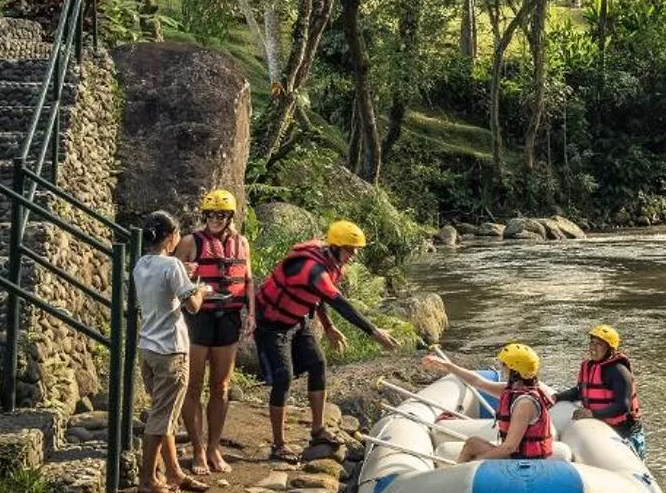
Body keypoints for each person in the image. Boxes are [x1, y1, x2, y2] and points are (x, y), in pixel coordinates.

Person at [253, 220, 399, 463]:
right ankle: (278, 445)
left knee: (318, 364)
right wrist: (374, 331)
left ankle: (318, 430)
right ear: (334, 246)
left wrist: (329, 327)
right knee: (283, 379)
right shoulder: (314, 269)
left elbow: (316, 297)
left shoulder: (329, 262)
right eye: (349, 250)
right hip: (272, 325)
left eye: (356, 251)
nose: (353, 256)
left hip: (298, 320)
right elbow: (341, 304)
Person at [131, 211, 209, 493]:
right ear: (172, 236)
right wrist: (202, 289)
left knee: (164, 414)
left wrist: (184, 278)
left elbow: (162, 286)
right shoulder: (173, 265)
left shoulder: (142, 264)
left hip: (147, 348)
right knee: (161, 417)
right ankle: (148, 479)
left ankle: (174, 472)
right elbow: (193, 306)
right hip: (170, 350)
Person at [178, 188, 251, 475]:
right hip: (199, 320)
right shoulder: (189, 242)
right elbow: (173, 277)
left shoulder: (241, 243)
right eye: (210, 214)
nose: (215, 220)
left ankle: (213, 448)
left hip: (229, 317)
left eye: (221, 215)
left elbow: (247, 278)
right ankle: (197, 450)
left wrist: (252, 314)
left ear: (230, 216)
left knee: (221, 388)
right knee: (193, 386)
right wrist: (187, 270)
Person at [427, 343, 558, 463]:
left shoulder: (525, 404)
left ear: (515, 371)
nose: (501, 367)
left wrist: (476, 463)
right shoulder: (515, 390)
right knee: (472, 443)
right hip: (517, 456)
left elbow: (509, 448)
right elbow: (478, 382)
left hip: (525, 463)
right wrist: (447, 366)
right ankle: (457, 476)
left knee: (475, 450)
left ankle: (459, 476)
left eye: (504, 365)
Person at [554, 323, 645, 460]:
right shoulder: (589, 366)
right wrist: (556, 397)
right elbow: (581, 391)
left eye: (599, 345)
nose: (593, 348)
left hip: (625, 431)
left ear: (610, 349)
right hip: (601, 425)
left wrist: (592, 413)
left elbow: (623, 406)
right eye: (592, 343)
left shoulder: (618, 371)